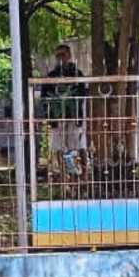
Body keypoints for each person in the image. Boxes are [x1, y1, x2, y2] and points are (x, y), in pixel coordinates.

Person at [41, 44, 87, 177]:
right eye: (58, 56)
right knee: (58, 148)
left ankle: (84, 174)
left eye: (63, 55)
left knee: (80, 145)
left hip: (74, 117)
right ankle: (64, 177)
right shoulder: (51, 76)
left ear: (69, 56)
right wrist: (51, 113)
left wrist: (72, 108)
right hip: (57, 119)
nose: (60, 58)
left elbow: (82, 95)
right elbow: (45, 98)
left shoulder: (77, 74)